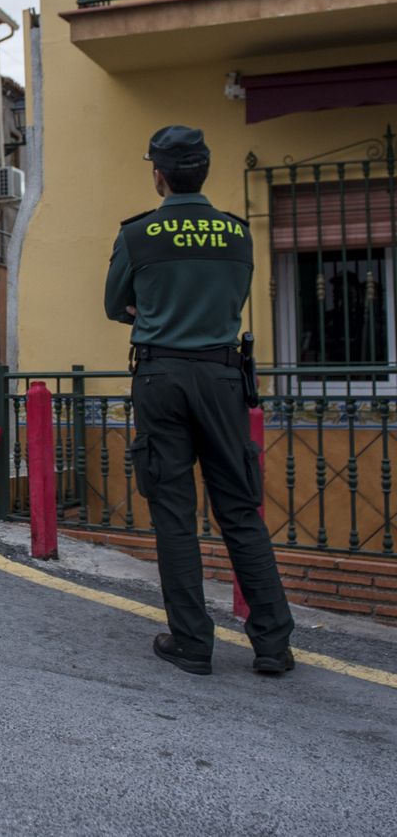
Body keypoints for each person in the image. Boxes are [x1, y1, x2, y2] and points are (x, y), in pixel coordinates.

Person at [105, 125, 295, 677]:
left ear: (158, 175)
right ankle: (273, 643)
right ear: (203, 172)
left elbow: (115, 305)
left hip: (160, 377)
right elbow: (233, 298)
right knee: (239, 508)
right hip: (222, 377)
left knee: (173, 512)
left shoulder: (138, 234)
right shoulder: (238, 234)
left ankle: (192, 642)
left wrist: (153, 312)